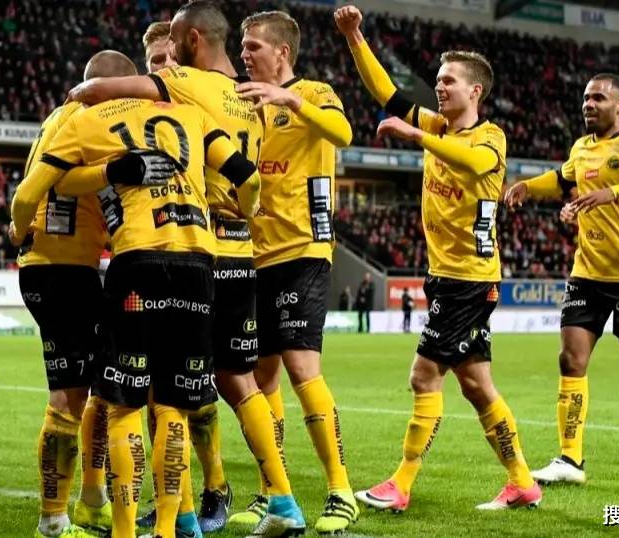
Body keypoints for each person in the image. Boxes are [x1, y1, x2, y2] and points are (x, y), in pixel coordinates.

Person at [12, 48, 261, 538]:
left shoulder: (70, 121)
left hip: (92, 267)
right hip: (83, 268)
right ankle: (60, 519)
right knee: (101, 398)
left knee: (108, 392)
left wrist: (20, 230)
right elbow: (245, 177)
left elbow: (41, 190)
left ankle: (95, 504)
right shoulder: (132, 117)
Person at [68, 6, 297, 532]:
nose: (163, 67)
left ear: (188, 44)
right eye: (155, 61)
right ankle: (270, 499)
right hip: (237, 251)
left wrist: (85, 99)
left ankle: (194, 505)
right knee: (228, 381)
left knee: (166, 390)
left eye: (168, 54)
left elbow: (98, 92)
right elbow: (248, 175)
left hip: (195, 247)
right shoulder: (248, 96)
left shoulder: (183, 90)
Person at [336, 5, 541, 512]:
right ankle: (521, 481)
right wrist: (355, 38)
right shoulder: (439, 126)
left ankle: (401, 484)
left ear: (475, 91)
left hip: (467, 280)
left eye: (449, 80)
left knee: (423, 377)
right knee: (476, 385)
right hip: (448, 277)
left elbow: (475, 164)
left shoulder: (489, 137)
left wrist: (418, 137)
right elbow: (387, 94)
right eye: (438, 80)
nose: (440, 87)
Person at [506, 72, 619, 488]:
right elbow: (562, 180)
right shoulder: (581, 147)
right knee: (571, 359)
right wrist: (528, 187)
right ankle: (570, 458)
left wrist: (615, 193)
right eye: (586, 98)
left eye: (598, 98)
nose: (588, 104)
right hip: (586, 272)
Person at [231, 9, 358, 535]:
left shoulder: (315, 92)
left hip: (303, 249)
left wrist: (290, 101)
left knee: (303, 368)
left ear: (282, 52)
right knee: (262, 378)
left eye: (253, 46)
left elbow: (343, 133)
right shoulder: (244, 104)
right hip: (254, 255)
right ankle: (271, 492)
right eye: (242, 46)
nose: (244, 54)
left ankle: (340, 491)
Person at [14, 52, 129, 538]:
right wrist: (20, 230)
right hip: (59, 269)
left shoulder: (57, 118)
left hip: (65, 267)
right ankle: (53, 520)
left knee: (98, 385)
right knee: (68, 396)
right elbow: (32, 192)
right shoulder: (87, 119)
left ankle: (91, 499)